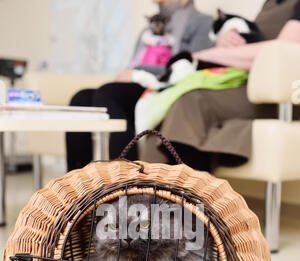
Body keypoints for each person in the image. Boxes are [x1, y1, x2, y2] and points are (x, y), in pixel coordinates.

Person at [143, 0, 300, 170]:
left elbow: (279, 51)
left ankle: (187, 193)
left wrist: (210, 54)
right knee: (167, 108)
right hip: (244, 83)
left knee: (192, 101)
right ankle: (147, 191)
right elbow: (255, 41)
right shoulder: (270, 3)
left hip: (280, 96)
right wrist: (229, 40)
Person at [66, 0, 214, 171]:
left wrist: (137, 72)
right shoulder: (147, 28)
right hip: (137, 84)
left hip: (162, 86)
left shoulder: (201, 21)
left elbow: (192, 66)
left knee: (108, 93)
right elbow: (135, 62)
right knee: (81, 98)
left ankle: (127, 179)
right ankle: (77, 183)